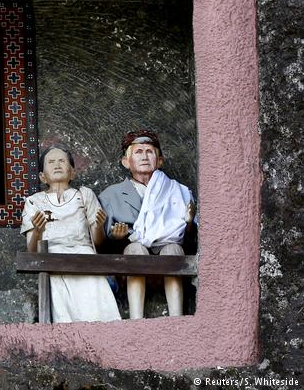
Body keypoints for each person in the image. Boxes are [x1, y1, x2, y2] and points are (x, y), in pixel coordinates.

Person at [99, 130, 196, 319]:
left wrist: (190, 223)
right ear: (126, 162)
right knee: (135, 250)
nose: (144, 156)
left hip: (166, 257)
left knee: (173, 249)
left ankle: (176, 316)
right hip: (131, 263)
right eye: (138, 152)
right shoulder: (111, 195)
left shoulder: (177, 191)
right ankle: (136, 318)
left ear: (160, 160)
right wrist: (116, 238)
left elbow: (191, 243)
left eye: (149, 152)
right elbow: (99, 243)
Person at [21, 146, 121, 323]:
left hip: (85, 254)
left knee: (98, 309)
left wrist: (97, 226)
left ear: (72, 172)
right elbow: (31, 252)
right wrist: (37, 231)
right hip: (52, 257)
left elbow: (97, 244)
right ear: (42, 176)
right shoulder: (33, 201)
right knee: (63, 309)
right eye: (50, 162)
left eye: (62, 161)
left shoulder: (85, 195)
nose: (57, 165)